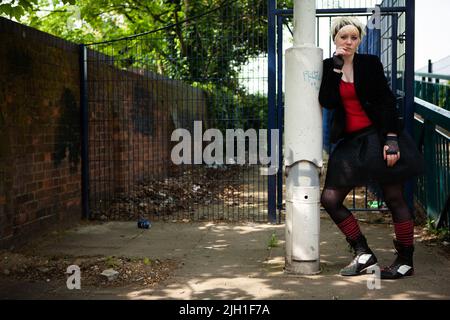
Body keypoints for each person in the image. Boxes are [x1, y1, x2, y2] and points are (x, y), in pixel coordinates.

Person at [318, 17, 424, 279]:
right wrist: (335, 69)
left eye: (354, 37)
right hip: (350, 142)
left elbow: (386, 100)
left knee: (394, 197)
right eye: (344, 37)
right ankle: (363, 253)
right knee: (330, 199)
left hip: (377, 137)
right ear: (335, 39)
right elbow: (328, 101)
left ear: (359, 40)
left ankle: (405, 261)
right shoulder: (328, 66)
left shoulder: (370, 64)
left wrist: (391, 139)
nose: (349, 42)